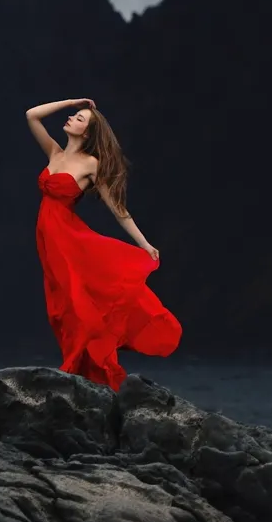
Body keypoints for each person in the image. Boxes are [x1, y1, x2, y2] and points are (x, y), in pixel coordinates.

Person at [25, 97, 181, 390]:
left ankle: (80, 369)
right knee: (60, 308)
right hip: (48, 241)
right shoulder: (54, 153)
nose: (72, 118)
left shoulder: (91, 164)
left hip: (69, 242)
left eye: (80, 118)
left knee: (76, 305)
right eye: (75, 115)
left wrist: (144, 244)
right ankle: (79, 369)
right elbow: (32, 114)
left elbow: (118, 209)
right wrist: (73, 102)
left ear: (87, 133)